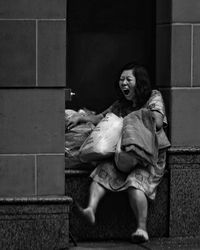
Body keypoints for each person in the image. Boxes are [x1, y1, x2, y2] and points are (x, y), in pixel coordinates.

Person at [66, 62, 170, 243]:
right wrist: (81, 117)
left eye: (128, 79)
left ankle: (142, 229)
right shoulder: (121, 104)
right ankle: (90, 209)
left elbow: (158, 122)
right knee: (102, 172)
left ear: (140, 82)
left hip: (148, 157)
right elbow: (101, 117)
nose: (124, 83)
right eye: (121, 80)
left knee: (134, 183)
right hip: (122, 154)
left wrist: (131, 120)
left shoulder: (154, 97)